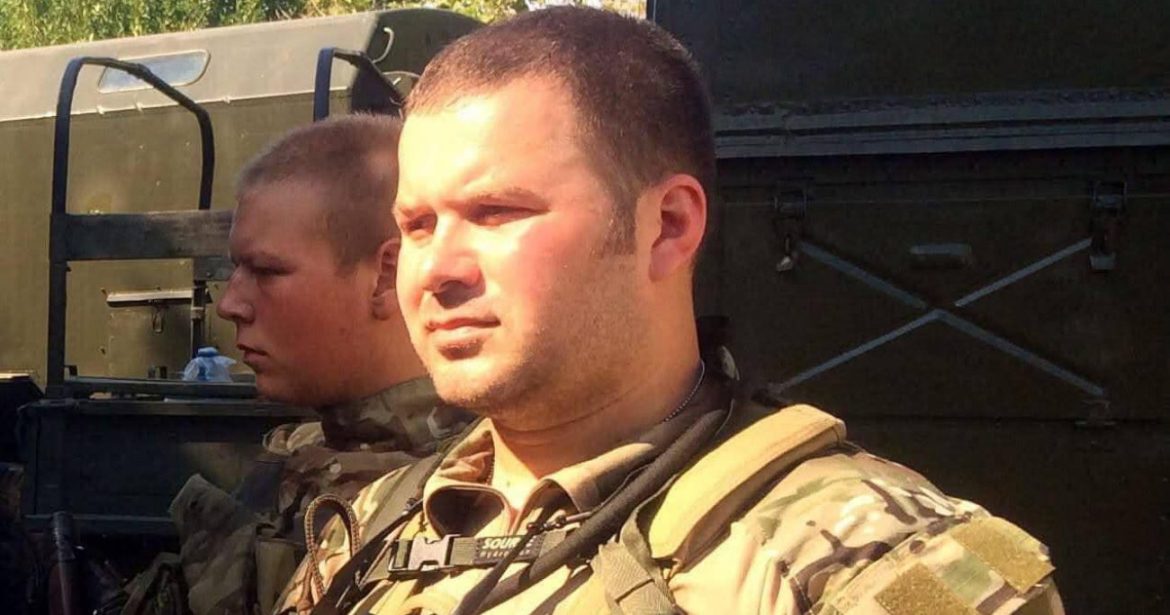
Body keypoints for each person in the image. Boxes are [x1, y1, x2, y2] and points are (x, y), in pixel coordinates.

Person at [275, 8, 1063, 615]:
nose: (437, 270)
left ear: (668, 226)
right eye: (417, 225)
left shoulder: (872, 560)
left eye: (497, 212)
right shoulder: (370, 530)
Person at [120, 114, 470, 615]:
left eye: (266, 271)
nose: (230, 304)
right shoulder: (300, 452)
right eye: (236, 269)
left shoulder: (464, 493)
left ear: (384, 275)